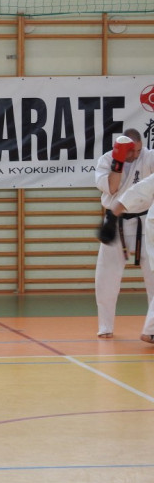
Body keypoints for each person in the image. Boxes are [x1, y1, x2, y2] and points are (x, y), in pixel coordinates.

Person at [94, 129, 154, 339]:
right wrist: (118, 161)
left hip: (145, 222)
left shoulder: (149, 156)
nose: (136, 155)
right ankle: (105, 327)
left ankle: (152, 329)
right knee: (106, 277)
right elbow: (112, 187)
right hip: (115, 221)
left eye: (138, 150)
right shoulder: (106, 160)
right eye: (131, 151)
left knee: (152, 276)